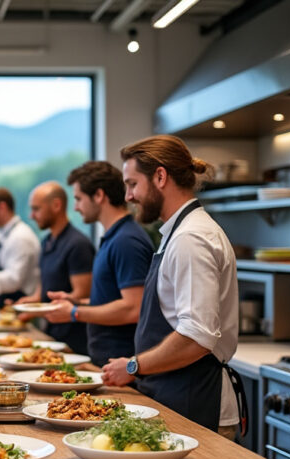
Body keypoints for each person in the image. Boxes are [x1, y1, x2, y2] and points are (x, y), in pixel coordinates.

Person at [101, 135, 243, 438]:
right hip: (176, 397)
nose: (128, 196)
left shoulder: (191, 238)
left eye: (132, 184)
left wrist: (133, 366)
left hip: (197, 404)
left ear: (160, 176)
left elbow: (196, 337)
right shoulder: (177, 233)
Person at [38, 162, 154, 366]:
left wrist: (74, 313)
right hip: (107, 361)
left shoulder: (126, 240)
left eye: (78, 199)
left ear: (99, 195)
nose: (75, 207)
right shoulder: (115, 236)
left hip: (122, 363)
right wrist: (76, 302)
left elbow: (134, 308)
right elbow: (112, 299)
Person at [15, 181, 94, 354]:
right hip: (52, 332)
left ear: (57, 205)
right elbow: (44, 286)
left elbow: (82, 295)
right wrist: (31, 302)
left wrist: (41, 310)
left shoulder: (78, 244)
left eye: (36, 209)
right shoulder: (46, 242)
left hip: (74, 339)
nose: (31, 216)